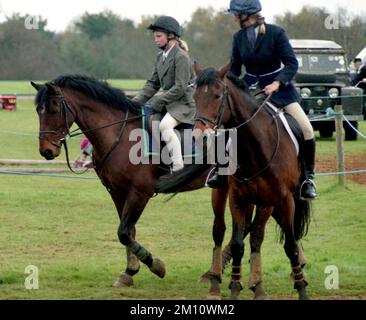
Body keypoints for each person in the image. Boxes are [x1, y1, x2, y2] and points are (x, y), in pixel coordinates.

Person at [207, 0, 317, 200]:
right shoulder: (239, 37)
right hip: (250, 93)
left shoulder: (276, 33)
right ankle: (219, 170)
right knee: (224, 127)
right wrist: (226, 85)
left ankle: (308, 179)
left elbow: (291, 64)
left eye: (237, 15)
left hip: (280, 92)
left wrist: (277, 83)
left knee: (307, 128)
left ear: (249, 15)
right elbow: (234, 69)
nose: (234, 19)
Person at [132, 16, 196, 173]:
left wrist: (158, 102)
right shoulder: (160, 57)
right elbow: (152, 84)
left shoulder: (181, 56)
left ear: (171, 36)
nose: (155, 40)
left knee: (165, 126)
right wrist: (134, 102)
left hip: (184, 104)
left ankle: (178, 166)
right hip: (170, 103)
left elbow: (180, 87)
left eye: (158, 36)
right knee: (144, 119)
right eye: (155, 36)